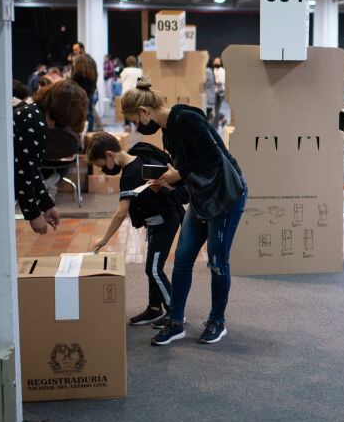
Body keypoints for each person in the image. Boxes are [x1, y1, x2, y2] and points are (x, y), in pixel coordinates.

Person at [121, 78, 247, 346]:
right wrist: (167, 182)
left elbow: (214, 156)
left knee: (217, 261)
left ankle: (217, 322)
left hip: (226, 195)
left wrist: (178, 173)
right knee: (182, 259)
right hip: (202, 197)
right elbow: (189, 171)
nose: (137, 127)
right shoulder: (168, 132)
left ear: (145, 112)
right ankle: (175, 322)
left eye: (135, 120)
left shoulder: (185, 118)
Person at [87, 132, 187, 327]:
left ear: (109, 155)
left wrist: (105, 239)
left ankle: (176, 314)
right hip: (158, 220)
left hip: (165, 221)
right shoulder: (139, 155)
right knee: (152, 267)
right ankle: (154, 309)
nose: (103, 171)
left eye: (101, 165)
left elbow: (121, 212)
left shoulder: (129, 174)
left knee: (154, 269)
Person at [14, 80, 88, 235]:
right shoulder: (34, 123)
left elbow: (32, 171)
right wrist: (33, 215)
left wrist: (47, 205)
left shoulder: (35, 116)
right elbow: (23, 173)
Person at [70, 54, 99, 131]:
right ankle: (89, 133)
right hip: (90, 93)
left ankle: (82, 134)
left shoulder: (78, 72)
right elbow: (95, 79)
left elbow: (72, 81)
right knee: (90, 114)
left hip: (81, 94)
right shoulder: (91, 70)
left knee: (83, 114)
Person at [211, 57, 225, 125]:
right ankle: (222, 119)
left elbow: (221, 81)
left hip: (219, 92)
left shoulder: (221, 70)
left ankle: (216, 124)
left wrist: (214, 81)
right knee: (215, 109)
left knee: (216, 109)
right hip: (213, 92)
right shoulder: (214, 70)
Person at [203, 58, 217, 125]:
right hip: (210, 98)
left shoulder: (207, 71)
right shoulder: (211, 70)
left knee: (206, 119)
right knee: (208, 118)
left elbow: (208, 83)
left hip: (208, 99)